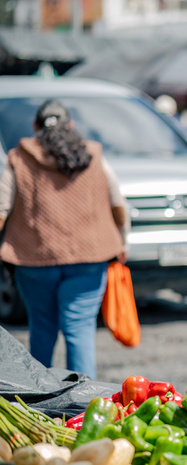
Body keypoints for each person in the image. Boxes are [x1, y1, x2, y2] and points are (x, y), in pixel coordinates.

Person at [0, 100, 129, 380]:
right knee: (79, 329)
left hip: (33, 259)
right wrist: (122, 240)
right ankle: (80, 404)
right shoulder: (93, 155)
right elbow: (118, 203)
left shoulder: (18, 159)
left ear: (35, 127)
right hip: (89, 257)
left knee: (41, 328)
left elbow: (1, 208)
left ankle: (38, 400)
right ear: (71, 125)